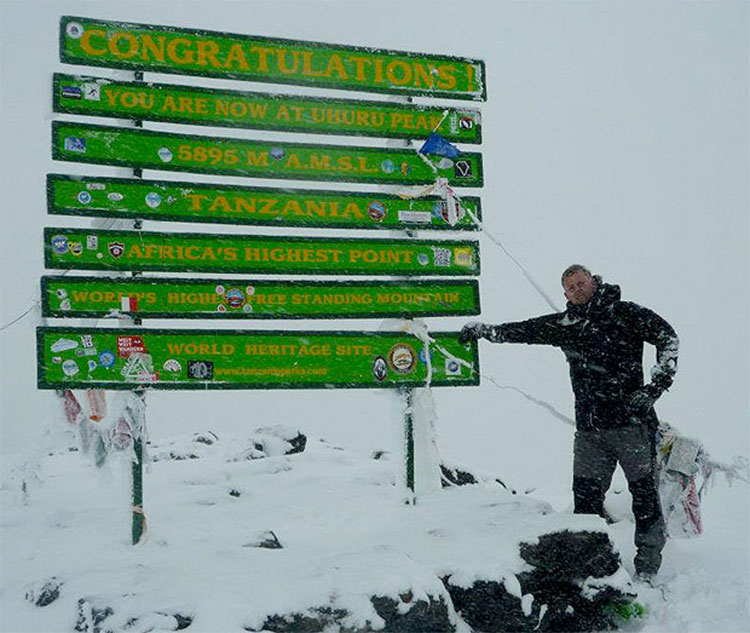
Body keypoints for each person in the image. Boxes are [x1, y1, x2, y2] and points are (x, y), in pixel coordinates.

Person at [460, 264, 679, 581]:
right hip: (590, 434)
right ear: (565, 294)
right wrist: (488, 332)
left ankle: (647, 567)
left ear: (593, 281)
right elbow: (526, 330)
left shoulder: (625, 313)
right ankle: (595, 571)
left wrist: (655, 388)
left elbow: (668, 338)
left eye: (581, 282)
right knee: (586, 505)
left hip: (631, 426)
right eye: (570, 287)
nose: (577, 289)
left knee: (644, 498)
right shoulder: (567, 324)